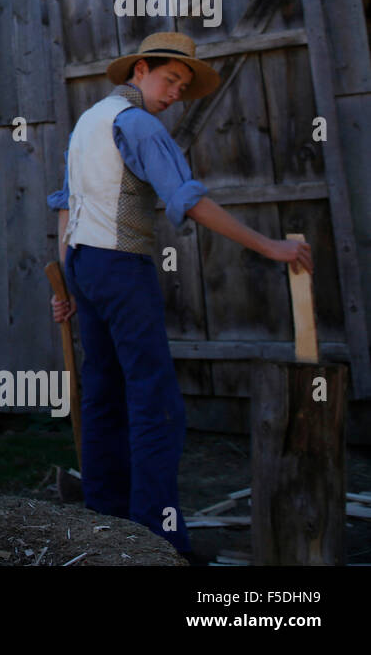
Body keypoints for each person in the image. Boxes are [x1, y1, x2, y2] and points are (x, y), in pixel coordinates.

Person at [48, 32, 313, 557]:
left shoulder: (89, 121)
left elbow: (65, 205)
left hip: (84, 262)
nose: (174, 94)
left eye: (183, 87)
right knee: (155, 402)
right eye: (170, 79)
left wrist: (69, 278)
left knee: (105, 395)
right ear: (140, 69)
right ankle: (157, 538)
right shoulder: (137, 124)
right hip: (122, 267)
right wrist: (269, 246)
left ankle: (107, 525)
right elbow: (187, 200)